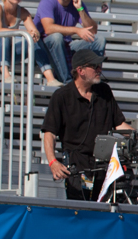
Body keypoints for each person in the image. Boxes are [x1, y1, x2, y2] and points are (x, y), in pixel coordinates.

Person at [41, 49, 131, 201]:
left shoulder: (104, 91)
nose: (99, 69)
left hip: (104, 164)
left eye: (99, 65)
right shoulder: (61, 96)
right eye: (95, 66)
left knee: (106, 210)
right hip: (77, 166)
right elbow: (49, 132)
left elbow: (119, 124)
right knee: (81, 209)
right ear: (80, 71)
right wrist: (53, 162)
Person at [34, 0, 108, 86]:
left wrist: (80, 9)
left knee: (99, 40)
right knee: (56, 37)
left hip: (66, 45)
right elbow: (48, 29)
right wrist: (76, 30)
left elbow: (93, 31)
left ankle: (93, 76)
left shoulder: (77, 3)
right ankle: (68, 82)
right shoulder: (48, 1)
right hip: (45, 47)